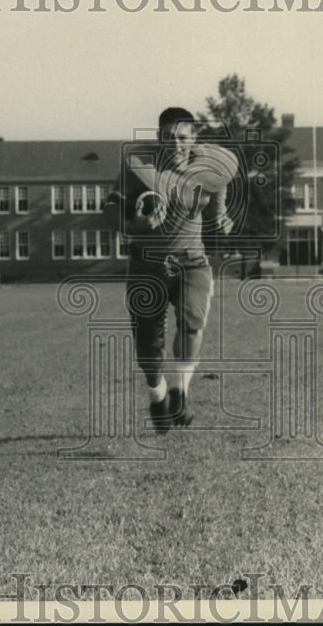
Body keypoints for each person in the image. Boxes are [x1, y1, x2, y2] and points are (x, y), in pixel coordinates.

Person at [106, 107, 236, 434]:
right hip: (146, 263)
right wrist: (133, 224)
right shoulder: (140, 168)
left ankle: (179, 392)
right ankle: (158, 394)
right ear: (158, 139)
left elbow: (218, 184)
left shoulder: (208, 166)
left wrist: (220, 215)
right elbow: (109, 210)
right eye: (168, 138)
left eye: (182, 138)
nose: (175, 144)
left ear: (194, 140)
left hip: (192, 261)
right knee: (148, 346)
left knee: (193, 323)